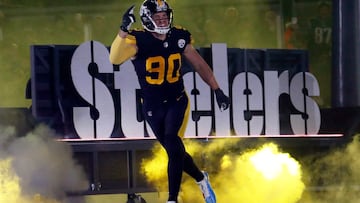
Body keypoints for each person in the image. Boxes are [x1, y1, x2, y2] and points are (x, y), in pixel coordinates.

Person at [109, 1, 230, 203]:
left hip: (177, 100)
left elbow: (200, 64)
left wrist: (217, 89)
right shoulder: (138, 39)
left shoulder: (179, 36)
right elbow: (114, 59)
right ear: (148, 19)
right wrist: (123, 30)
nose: (163, 20)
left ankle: (172, 198)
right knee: (175, 151)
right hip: (152, 105)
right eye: (158, 17)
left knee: (173, 147)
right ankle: (201, 178)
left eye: (165, 16)